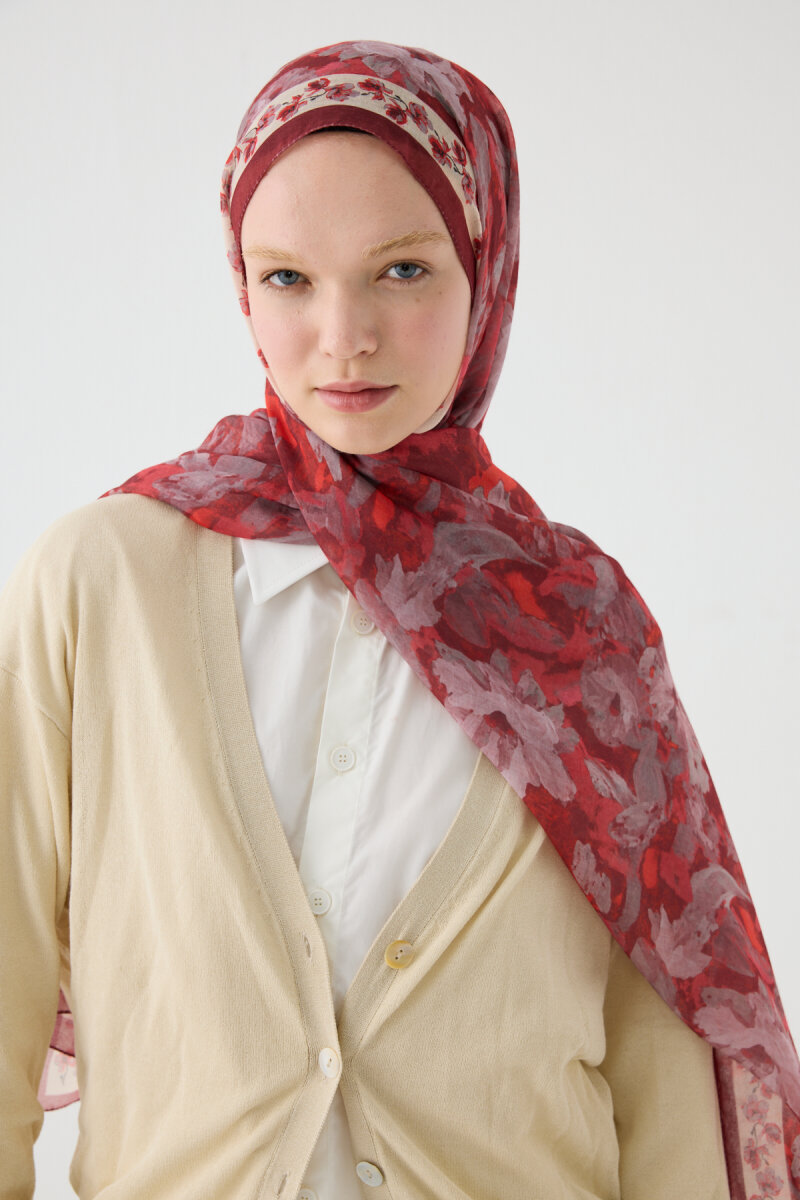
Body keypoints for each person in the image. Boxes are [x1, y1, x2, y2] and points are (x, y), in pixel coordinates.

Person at [1, 38, 798, 1200]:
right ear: (240, 283)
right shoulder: (100, 582)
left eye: (403, 270)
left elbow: (666, 1058)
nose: (343, 335)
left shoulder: (579, 632)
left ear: (487, 268)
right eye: (287, 278)